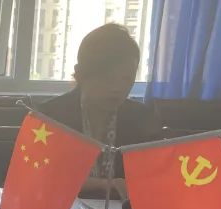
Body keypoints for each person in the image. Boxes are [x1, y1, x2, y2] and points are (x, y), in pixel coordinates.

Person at [39, 23, 161, 197]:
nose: (118, 88)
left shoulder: (141, 118)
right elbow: (41, 177)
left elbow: (155, 177)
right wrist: (103, 185)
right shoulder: (50, 116)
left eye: (126, 79)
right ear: (81, 74)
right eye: (108, 78)